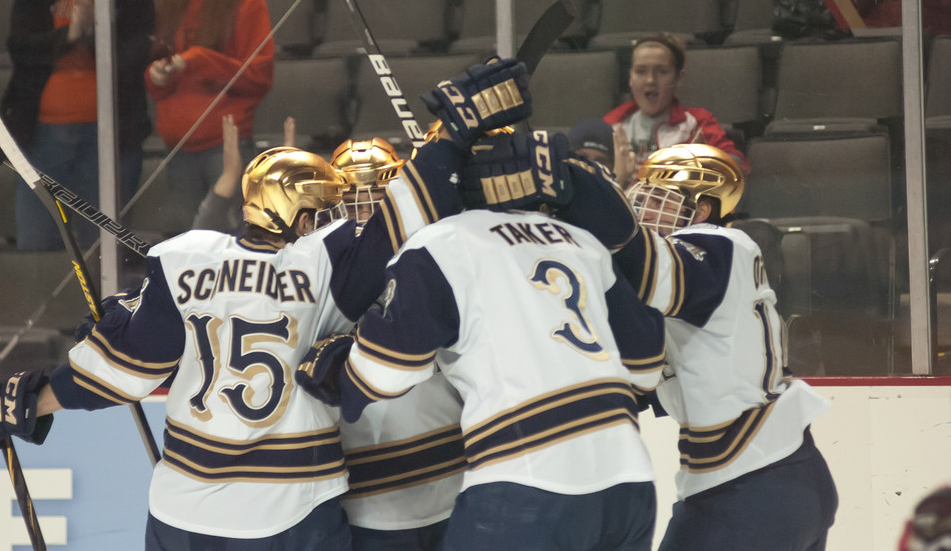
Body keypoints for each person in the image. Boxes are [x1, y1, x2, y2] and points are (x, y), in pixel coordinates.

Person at [0, 57, 532, 550]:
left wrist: (31, 399)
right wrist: (448, 140)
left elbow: (124, 371)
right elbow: (398, 223)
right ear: (305, 216)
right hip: (294, 509)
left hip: (185, 510)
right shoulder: (323, 263)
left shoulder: (183, 258)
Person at [304, 129, 667, 551]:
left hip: (527, 481)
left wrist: (339, 371)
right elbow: (646, 368)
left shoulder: (440, 244)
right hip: (630, 482)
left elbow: (383, 375)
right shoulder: (581, 241)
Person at [612, 144, 838, 551]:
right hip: (784, 474)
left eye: (657, 199)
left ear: (702, 210)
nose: (642, 210)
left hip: (744, 489)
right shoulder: (701, 272)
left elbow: (638, 267)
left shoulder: (711, 243)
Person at [329, 137, 465, 551]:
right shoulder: (313, 276)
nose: (366, 215)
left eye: (378, 201)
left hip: (458, 489)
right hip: (366, 506)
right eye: (353, 202)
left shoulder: (442, 259)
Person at [0, 0, 154, 251]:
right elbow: (19, 48)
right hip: (43, 140)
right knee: (38, 248)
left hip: (108, 141)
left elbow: (132, 60)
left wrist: (96, 31)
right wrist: (68, 34)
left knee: (103, 254)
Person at [146, 0, 274, 228]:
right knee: (187, 248)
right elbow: (157, 72)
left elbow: (259, 75)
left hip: (225, 146)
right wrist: (157, 75)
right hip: (178, 145)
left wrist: (199, 60)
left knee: (229, 243)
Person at [602, 33, 749, 187]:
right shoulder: (610, 125)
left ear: (678, 77)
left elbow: (738, 169)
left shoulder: (697, 122)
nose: (650, 80)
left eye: (662, 72)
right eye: (640, 71)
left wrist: (707, 163)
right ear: (630, 78)